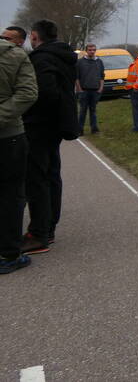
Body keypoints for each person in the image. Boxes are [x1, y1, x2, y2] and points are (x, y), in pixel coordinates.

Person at [22, 19, 78, 254]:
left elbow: (45, 93)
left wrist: (29, 114)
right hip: (57, 125)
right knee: (51, 174)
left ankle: (39, 234)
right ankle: (49, 227)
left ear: (35, 36)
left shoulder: (41, 58)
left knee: (36, 177)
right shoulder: (64, 55)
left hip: (41, 126)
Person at [0, 34, 38, 273]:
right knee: (10, 196)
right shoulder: (15, 55)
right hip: (9, 135)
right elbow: (27, 93)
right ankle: (8, 255)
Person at [76, 43, 105, 134]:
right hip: (84, 90)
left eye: (93, 50)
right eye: (90, 50)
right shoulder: (80, 62)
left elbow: (102, 76)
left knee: (93, 111)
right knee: (82, 111)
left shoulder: (99, 62)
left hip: (95, 90)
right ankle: (80, 130)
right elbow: (76, 77)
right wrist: (79, 89)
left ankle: (94, 129)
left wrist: (100, 88)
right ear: (86, 51)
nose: (92, 51)